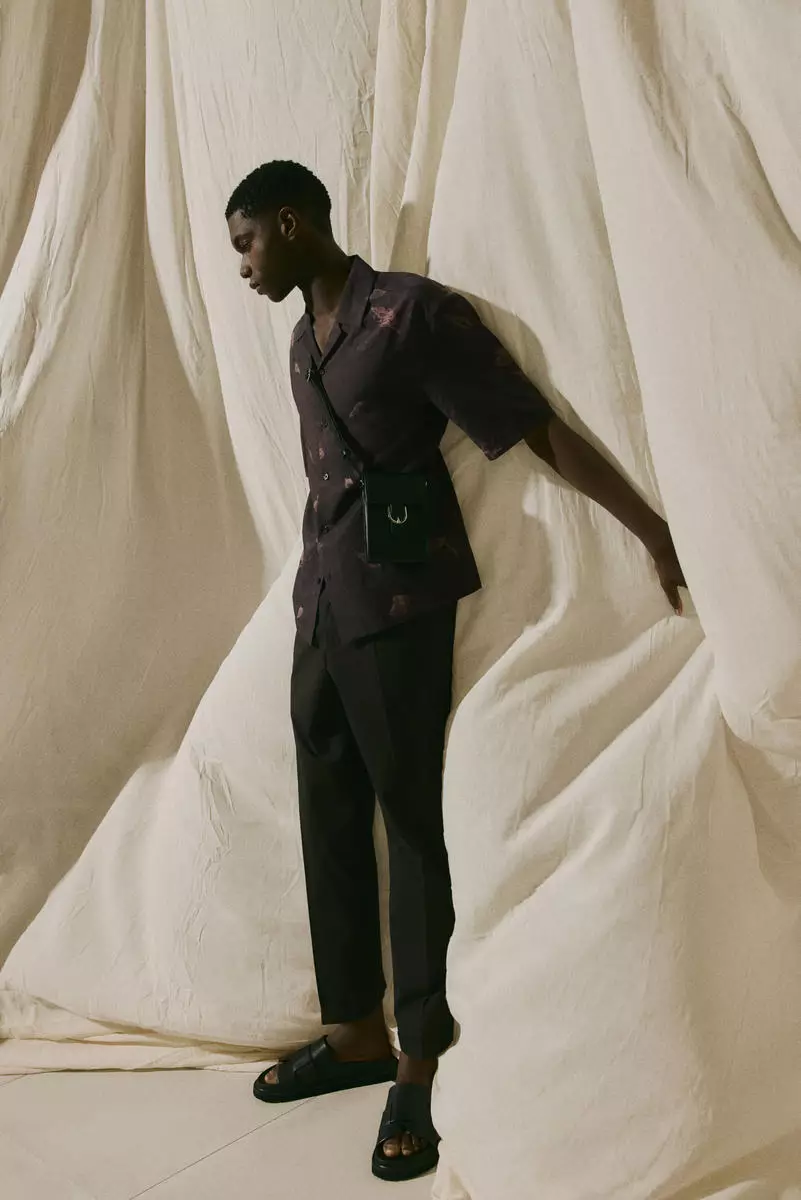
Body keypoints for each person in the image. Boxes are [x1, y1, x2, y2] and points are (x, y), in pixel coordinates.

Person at [225, 160, 686, 1182]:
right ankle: (352, 1029)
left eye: (246, 244)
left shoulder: (411, 316)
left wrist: (650, 527)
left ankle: (418, 1061)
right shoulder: (303, 343)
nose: (243, 267)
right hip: (319, 611)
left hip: (398, 610)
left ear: (291, 224)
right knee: (327, 813)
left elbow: (530, 426)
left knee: (409, 822)